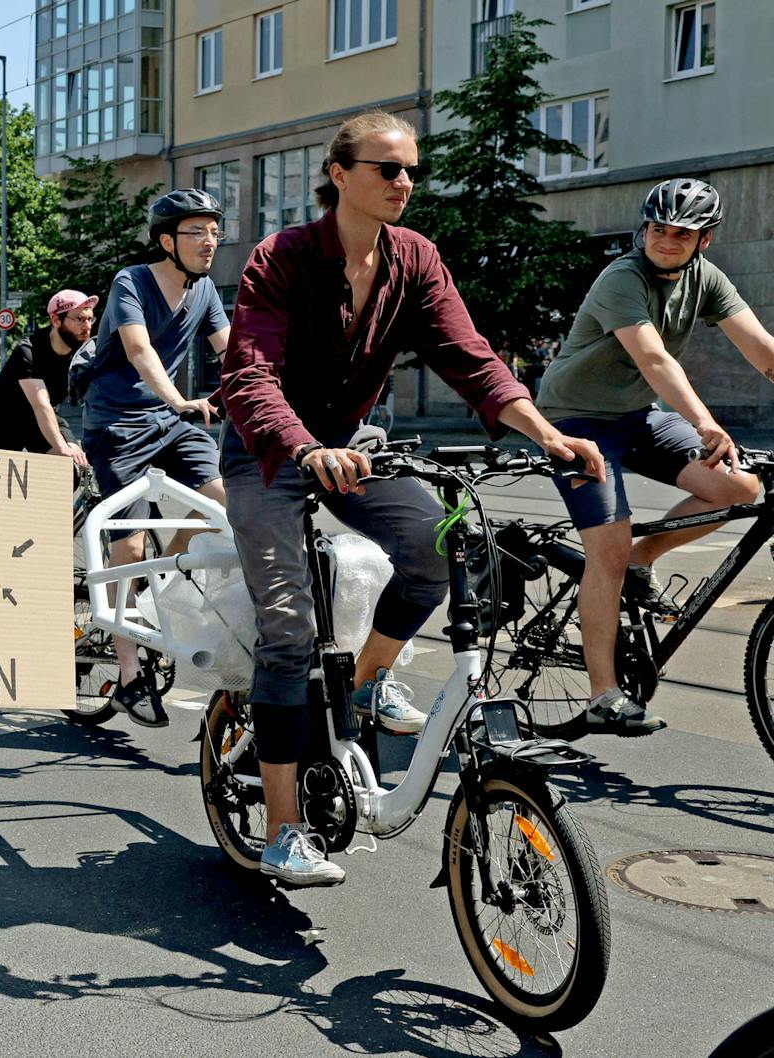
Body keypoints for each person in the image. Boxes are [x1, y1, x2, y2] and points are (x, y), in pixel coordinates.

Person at [220, 111, 606, 887]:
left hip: (352, 448)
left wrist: (548, 437)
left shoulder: (416, 259)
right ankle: (283, 826)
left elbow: (474, 361)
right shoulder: (284, 257)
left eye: (411, 172)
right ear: (340, 174)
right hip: (269, 451)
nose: (404, 184)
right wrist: (302, 446)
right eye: (387, 169)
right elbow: (249, 373)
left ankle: (366, 680)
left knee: (438, 547)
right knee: (290, 628)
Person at [534, 178, 774, 735]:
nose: (666, 241)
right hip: (575, 422)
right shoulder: (623, 276)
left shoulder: (704, 278)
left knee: (739, 488)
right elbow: (655, 360)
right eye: (658, 229)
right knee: (607, 551)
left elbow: (761, 348)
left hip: (636, 418)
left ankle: (645, 557)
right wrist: (705, 421)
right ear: (644, 229)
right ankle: (602, 693)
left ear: (704, 240)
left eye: (682, 233)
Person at [76, 189, 235, 725]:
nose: (210, 241)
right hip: (118, 423)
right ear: (167, 240)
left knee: (222, 499)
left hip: (174, 421)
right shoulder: (133, 282)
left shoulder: (207, 288)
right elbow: (140, 350)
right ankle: (128, 674)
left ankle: (163, 588)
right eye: (197, 232)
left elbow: (232, 352)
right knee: (130, 546)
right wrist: (180, 399)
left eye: (215, 231)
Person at [0, 288, 96, 462]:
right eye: (80, 319)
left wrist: (71, 446)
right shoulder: (29, 351)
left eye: (90, 319)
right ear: (56, 319)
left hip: (41, 420)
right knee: (6, 481)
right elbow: (41, 404)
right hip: (2, 421)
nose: (87, 326)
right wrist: (62, 447)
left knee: (70, 469)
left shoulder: (82, 353)